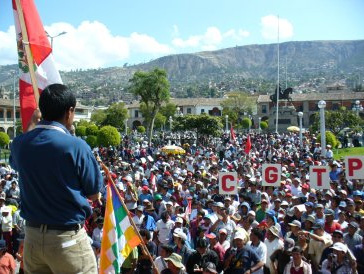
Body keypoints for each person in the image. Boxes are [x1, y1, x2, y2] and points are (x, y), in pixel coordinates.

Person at [10, 84, 103, 273]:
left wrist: (31, 125)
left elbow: (15, 160)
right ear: (69, 112)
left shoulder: (20, 144)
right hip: (67, 240)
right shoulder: (77, 146)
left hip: (32, 239)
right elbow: (94, 194)